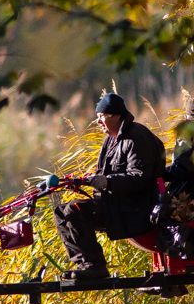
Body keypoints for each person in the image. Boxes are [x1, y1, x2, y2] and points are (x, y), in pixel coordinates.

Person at [53, 92, 166, 280]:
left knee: (75, 210)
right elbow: (103, 173)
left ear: (116, 116)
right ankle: (84, 263)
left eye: (101, 116)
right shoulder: (110, 141)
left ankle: (95, 266)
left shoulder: (136, 138)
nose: (98, 122)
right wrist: (83, 181)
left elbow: (139, 178)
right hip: (114, 204)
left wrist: (108, 182)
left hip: (135, 208)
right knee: (60, 211)